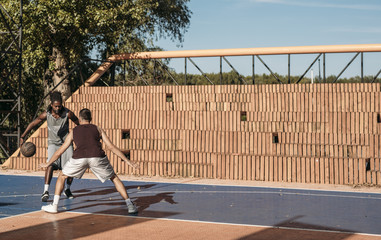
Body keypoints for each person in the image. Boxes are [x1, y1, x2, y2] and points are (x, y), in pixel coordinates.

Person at [39, 108, 140, 214]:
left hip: (79, 158)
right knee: (114, 178)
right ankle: (130, 205)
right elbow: (111, 147)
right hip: (97, 157)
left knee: (62, 176)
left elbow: (60, 150)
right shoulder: (97, 128)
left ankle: (54, 206)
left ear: (80, 119)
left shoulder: (74, 131)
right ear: (90, 119)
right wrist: (127, 161)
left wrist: (48, 163)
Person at [20, 91, 79, 202]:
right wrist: (23, 136)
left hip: (66, 144)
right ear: (51, 105)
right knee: (50, 164)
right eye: (55, 106)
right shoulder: (46, 114)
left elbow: (78, 123)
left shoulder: (67, 113)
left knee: (71, 166)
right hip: (53, 143)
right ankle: (45, 191)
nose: (58, 108)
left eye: (59, 106)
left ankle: (67, 189)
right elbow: (33, 123)